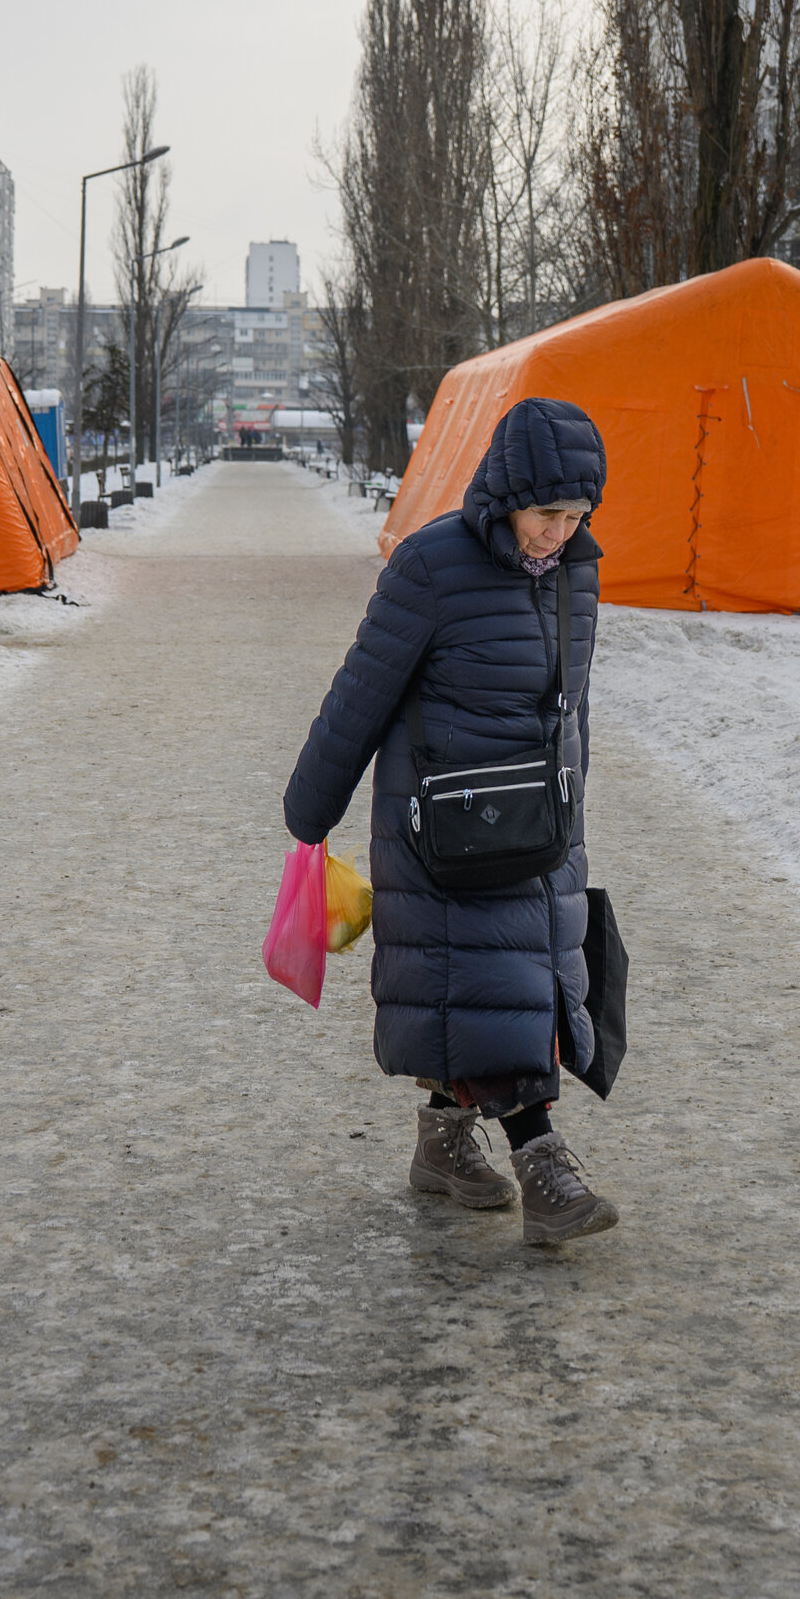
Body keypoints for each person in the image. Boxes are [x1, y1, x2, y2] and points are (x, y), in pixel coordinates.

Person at [283, 397, 618, 1245]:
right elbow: (363, 691)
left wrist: (571, 808)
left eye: (578, 516)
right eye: (549, 514)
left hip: (539, 831)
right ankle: (542, 1164)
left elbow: (567, 709)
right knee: (493, 990)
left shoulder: (580, 571)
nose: (559, 533)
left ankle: (441, 1144)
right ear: (508, 493)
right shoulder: (433, 566)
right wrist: (311, 812)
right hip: (443, 828)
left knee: (517, 988)